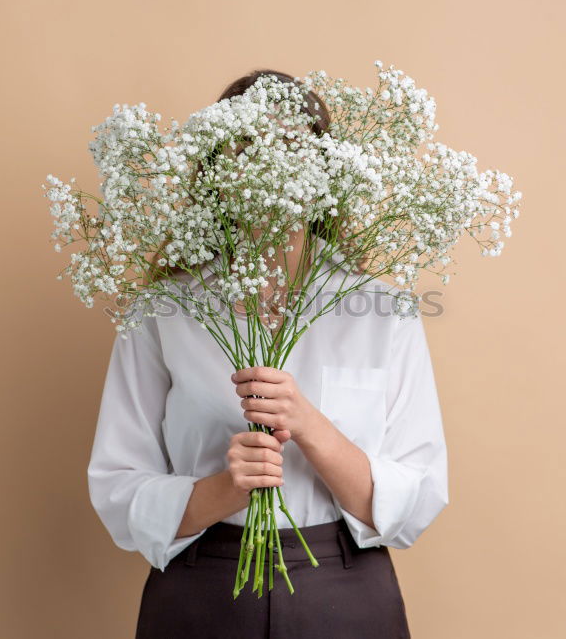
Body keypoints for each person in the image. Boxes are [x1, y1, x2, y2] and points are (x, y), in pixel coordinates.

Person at [87, 70, 449, 639]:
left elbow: (417, 498)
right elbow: (117, 485)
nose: (271, 167)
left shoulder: (382, 310)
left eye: (290, 150)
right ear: (219, 171)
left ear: (326, 171)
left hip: (347, 592)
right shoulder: (164, 310)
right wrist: (224, 489)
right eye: (250, 149)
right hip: (201, 589)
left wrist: (308, 424)